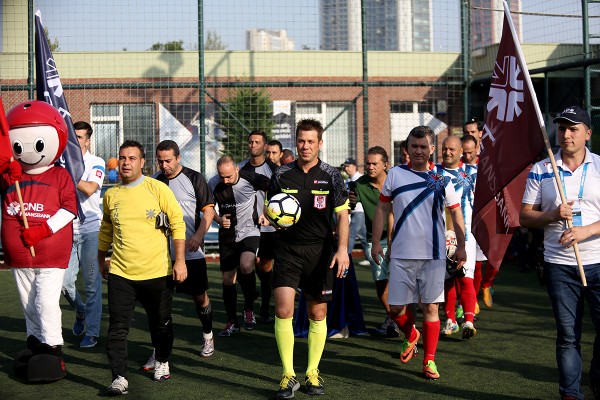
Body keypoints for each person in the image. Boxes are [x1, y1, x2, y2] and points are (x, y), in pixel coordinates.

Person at [371, 125, 466, 380]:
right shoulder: (395, 175)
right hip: (401, 253)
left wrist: (462, 246)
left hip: (433, 255)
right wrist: (376, 241)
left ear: (432, 149)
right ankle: (411, 334)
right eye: (414, 146)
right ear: (406, 150)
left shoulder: (442, 179)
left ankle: (429, 361)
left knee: (431, 309)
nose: (419, 151)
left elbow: (456, 213)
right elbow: (382, 209)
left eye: (424, 146)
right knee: (395, 308)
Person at [520, 106, 600, 400]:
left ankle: (597, 377)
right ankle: (570, 394)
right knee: (568, 336)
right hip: (559, 265)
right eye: (562, 128)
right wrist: (553, 214)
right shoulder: (542, 169)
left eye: (574, 128)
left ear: (587, 134)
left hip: (598, 261)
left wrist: (586, 230)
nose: (566, 134)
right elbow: (525, 217)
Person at [267, 118, 350, 398]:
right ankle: (287, 375)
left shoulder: (332, 175)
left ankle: (312, 372)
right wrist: (271, 219)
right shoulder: (281, 174)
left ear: (320, 144)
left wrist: (342, 250)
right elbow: (271, 210)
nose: (305, 146)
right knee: (283, 310)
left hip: (321, 251)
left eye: (311, 141)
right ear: (296, 141)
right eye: (301, 140)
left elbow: (342, 214)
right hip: (288, 250)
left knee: (317, 313)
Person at [98, 140, 186, 395]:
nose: (126, 163)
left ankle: (162, 359)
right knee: (117, 328)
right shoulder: (111, 195)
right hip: (121, 274)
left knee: (161, 325)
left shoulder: (157, 189)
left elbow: (177, 224)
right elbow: (106, 230)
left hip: (157, 273)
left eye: (132, 158)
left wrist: (179, 261)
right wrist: (102, 258)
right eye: (122, 158)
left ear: (142, 162)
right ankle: (119, 377)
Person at [2, 100, 76, 377]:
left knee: (45, 301)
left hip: (50, 253)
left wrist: (42, 230)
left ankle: (54, 346)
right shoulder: (11, 177)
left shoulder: (60, 175)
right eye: (18, 145)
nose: (28, 152)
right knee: (28, 302)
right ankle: (34, 342)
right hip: (19, 255)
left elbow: (70, 209)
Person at [152, 140, 216, 360]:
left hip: (191, 252)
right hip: (161, 256)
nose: (164, 165)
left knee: (200, 298)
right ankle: (159, 350)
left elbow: (208, 211)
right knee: (160, 305)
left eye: (168, 160)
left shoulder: (194, 178)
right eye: (160, 161)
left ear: (178, 158)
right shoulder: (155, 182)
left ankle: (208, 335)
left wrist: (198, 236)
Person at [209, 155, 270, 336]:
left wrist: (265, 212)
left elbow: (271, 188)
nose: (225, 180)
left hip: (250, 231)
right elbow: (208, 206)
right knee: (228, 279)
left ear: (236, 169)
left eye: (228, 176)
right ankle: (232, 322)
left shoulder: (250, 178)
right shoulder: (213, 183)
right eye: (222, 176)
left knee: (246, 264)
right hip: (227, 235)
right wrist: (219, 219)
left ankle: (249, 309)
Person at [61, 121, 105, 349]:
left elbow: (89, 188)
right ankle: (81, 312)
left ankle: (93, 332)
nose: (75, 141)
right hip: (67, 228)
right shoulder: (59, 161)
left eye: (79, 137)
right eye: (73, 136)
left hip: (90, 230)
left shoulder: (96, 162)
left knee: (91, 284)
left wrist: (68, 173)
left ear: (88, 140)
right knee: (65, 283)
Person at [350, 146, 399, 335]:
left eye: (374, 164)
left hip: (400, 238)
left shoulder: (396, 180)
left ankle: (401, 317)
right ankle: (393, 318)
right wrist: (350, 201)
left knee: (400, 280)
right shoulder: (360, 185)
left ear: (385, 164)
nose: (370, 167)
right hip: (374, 239)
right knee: (381, 281)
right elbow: (349, 204)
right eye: (367, 163)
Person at [438, 135, 478, 339]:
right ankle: (450, 320)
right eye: (445, 148)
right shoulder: (433, 172)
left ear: (461, 151)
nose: (447, 152)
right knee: (447, 278)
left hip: (466, 233)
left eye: (452, 149)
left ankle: (468, 321)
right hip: (440, 233)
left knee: (465, 276)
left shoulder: (473, 172)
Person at [240, 130, 278, 324]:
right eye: (250, 142)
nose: (253, 145)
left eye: (257, 142)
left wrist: (271, 217)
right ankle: (249, 305)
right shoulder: (241, 170)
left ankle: (264, 309)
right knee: (247, 265)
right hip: (247, 227)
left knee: (265, 266)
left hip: (269, 228)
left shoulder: (275, 170)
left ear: (264, 146)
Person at [343, 157, 369, 266]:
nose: (345, 168)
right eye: (345, 166)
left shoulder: (360, 178)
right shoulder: (347, 181)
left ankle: (346, 256)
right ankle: (369, 257)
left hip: (360, 211)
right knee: (363, 237)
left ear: (354, 166)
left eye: (348, 166)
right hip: (354, 211)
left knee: (351, 233)